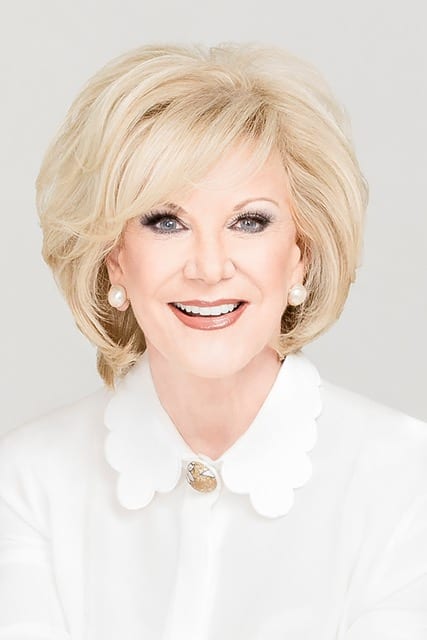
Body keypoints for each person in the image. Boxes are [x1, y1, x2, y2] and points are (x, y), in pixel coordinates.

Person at [0, 42, 426, 640]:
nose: (208, 267)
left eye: (249, 222)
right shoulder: (24, 480)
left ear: (300, 256)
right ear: (115, 258)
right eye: (166, 222)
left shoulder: (407, 478)